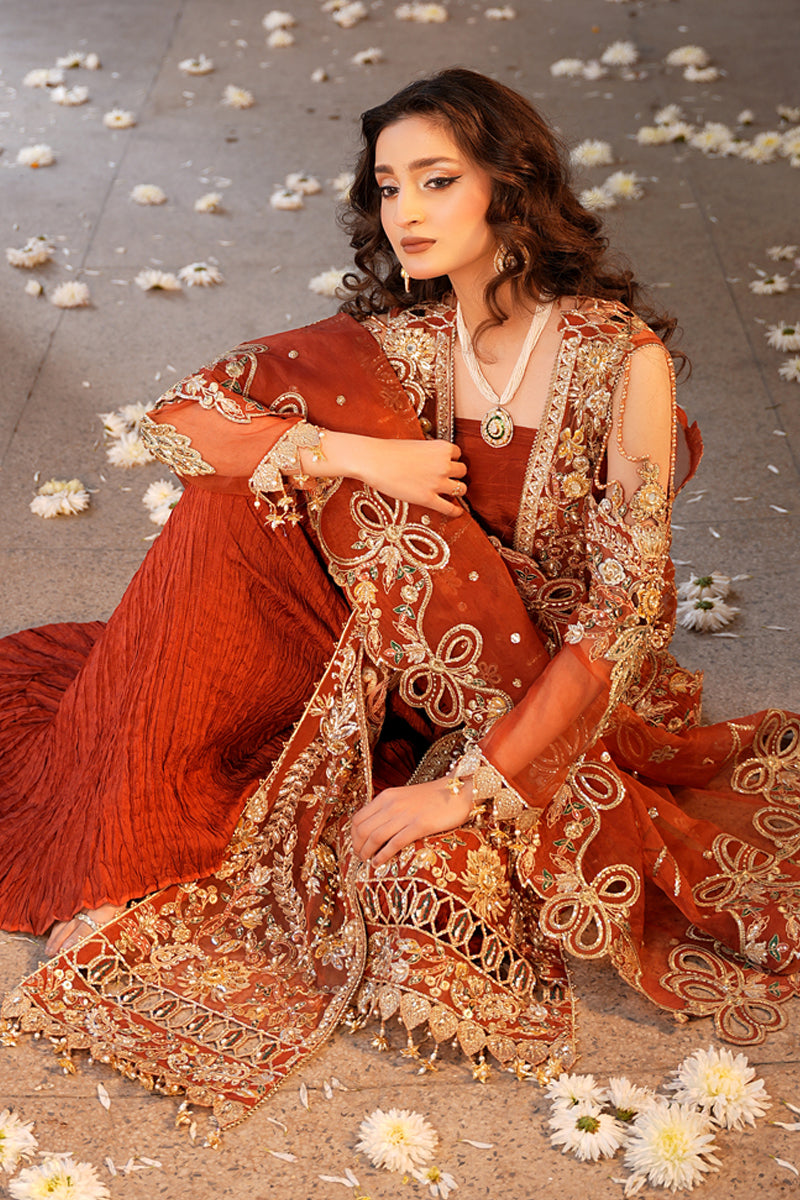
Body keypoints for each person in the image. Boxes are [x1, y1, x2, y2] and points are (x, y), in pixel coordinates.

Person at [1, 69, 798, 1130]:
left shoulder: (621, 362)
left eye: (436, 180)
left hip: (547, 686)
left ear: (510, 183)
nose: (404, 213)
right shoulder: (403, 341)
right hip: (398, 647)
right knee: (236, 502)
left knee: (420, 874)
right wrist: (354, 452)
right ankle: (129, 845)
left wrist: (463, 793)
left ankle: (181, 830)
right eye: (386, 187)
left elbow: (625, 618)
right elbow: (179, 421)